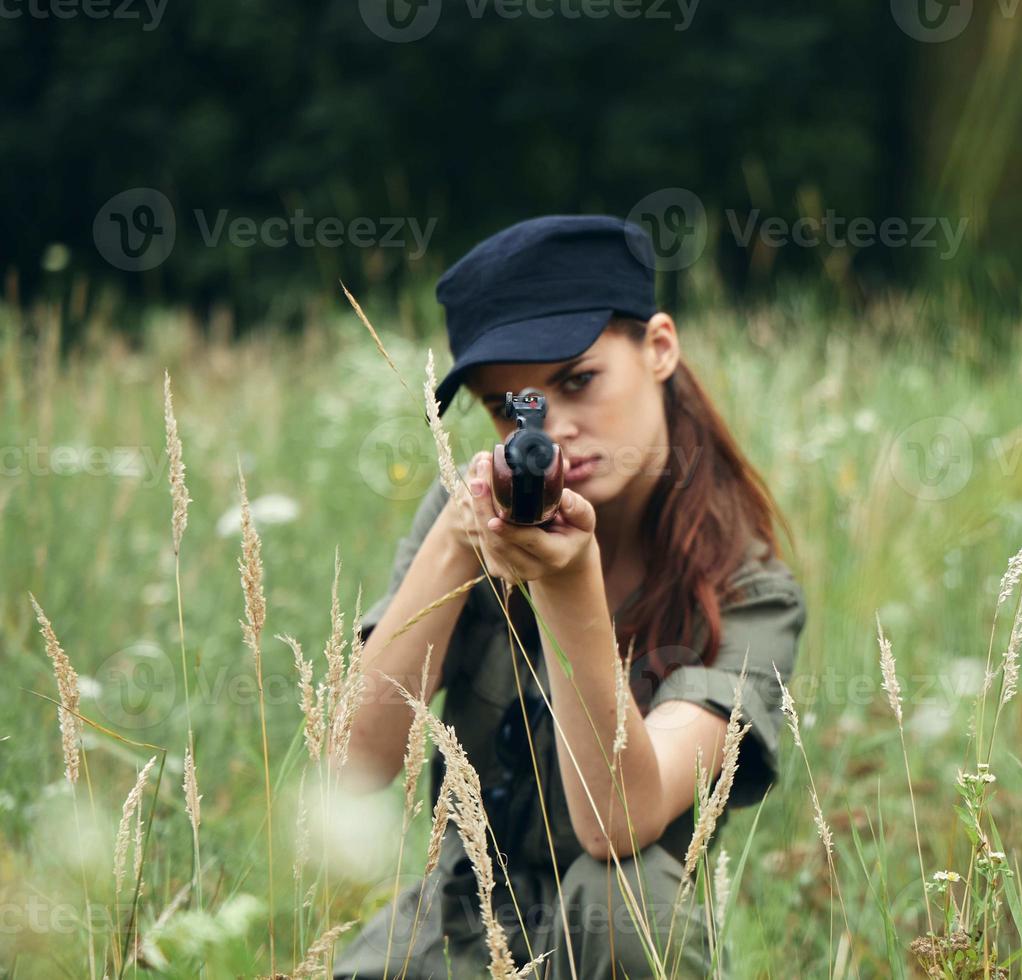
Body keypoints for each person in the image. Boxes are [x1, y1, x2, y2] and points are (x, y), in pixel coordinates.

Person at [330, 215, 807, 979]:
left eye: (577, 381)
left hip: (616, 922)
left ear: (659, 348)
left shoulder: (749, 592)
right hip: (466, 908)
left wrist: (565, 582)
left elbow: (615, 825)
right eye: (507, 407)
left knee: (624, 895)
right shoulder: (469, 512)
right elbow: (351, 764)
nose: (551, 432)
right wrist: (458, 535)